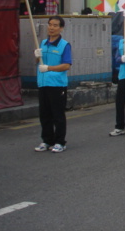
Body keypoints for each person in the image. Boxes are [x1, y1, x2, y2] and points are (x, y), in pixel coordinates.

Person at [34, 16, 72, 153]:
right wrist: (37, 55)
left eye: (55, 25)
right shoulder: (43, 43)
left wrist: (49, 68)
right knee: (44, 114)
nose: (51, 28)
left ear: (61, 28)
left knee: (58, 115)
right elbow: (38, 62)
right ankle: (47, 140)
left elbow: (66, 65)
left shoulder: (64, 45)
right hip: (43, 84)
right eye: (50, 25)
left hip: (57, 85)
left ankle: (60, 142)